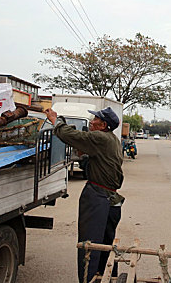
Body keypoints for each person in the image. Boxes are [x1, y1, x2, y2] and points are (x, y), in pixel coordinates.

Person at [44, 106, 124, 283]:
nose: (92, 121)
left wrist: (55, 121)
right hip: (110, 199)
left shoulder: (100, 137)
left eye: (95, 119)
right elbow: (94, 158)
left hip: (98, 198)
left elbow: (71, 136)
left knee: (89, 244)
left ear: (103, 125)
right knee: (105, 243)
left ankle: (89, 279)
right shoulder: (112, 139)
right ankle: (107, 276)